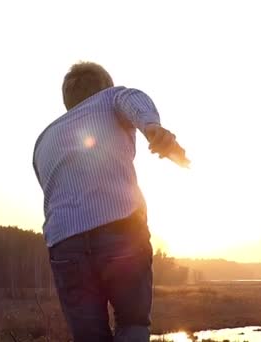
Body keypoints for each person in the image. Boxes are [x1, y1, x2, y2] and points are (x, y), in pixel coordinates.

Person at [32, 62, 188, 342]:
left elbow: (49, 191)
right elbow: (132, 98)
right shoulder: (110, 98)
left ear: (67, 102)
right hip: (119, 230)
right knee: (133, 322)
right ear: (105, 88)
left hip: (64, 242)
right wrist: (152, 127)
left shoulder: (43, 140)